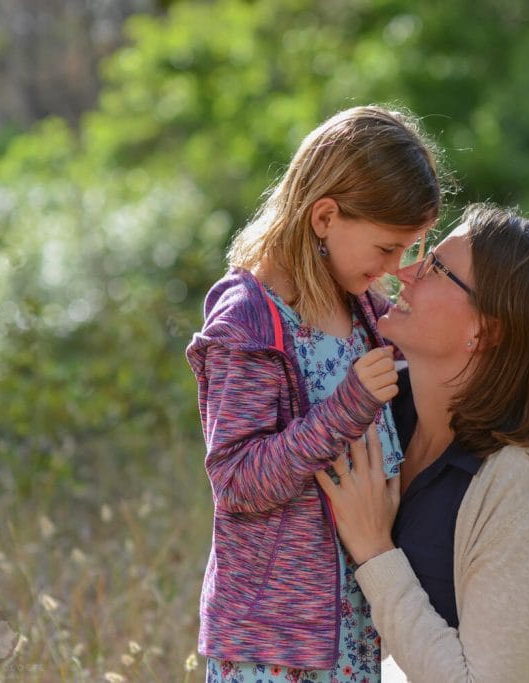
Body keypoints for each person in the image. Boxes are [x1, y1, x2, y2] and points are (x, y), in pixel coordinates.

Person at [317, 203, 529, 682]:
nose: (402, 273)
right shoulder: (375, 406)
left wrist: (375, 551)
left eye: (435, 269)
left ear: (484, 330)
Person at [185, 105, 444, 682]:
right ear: (325, 216)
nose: (394, 268)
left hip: (355, 632)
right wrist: (347, 408)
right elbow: (238, 482)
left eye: (408, 250)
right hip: (277, 647)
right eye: (386, 249)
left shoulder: (364, 311)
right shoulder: (249, 322)